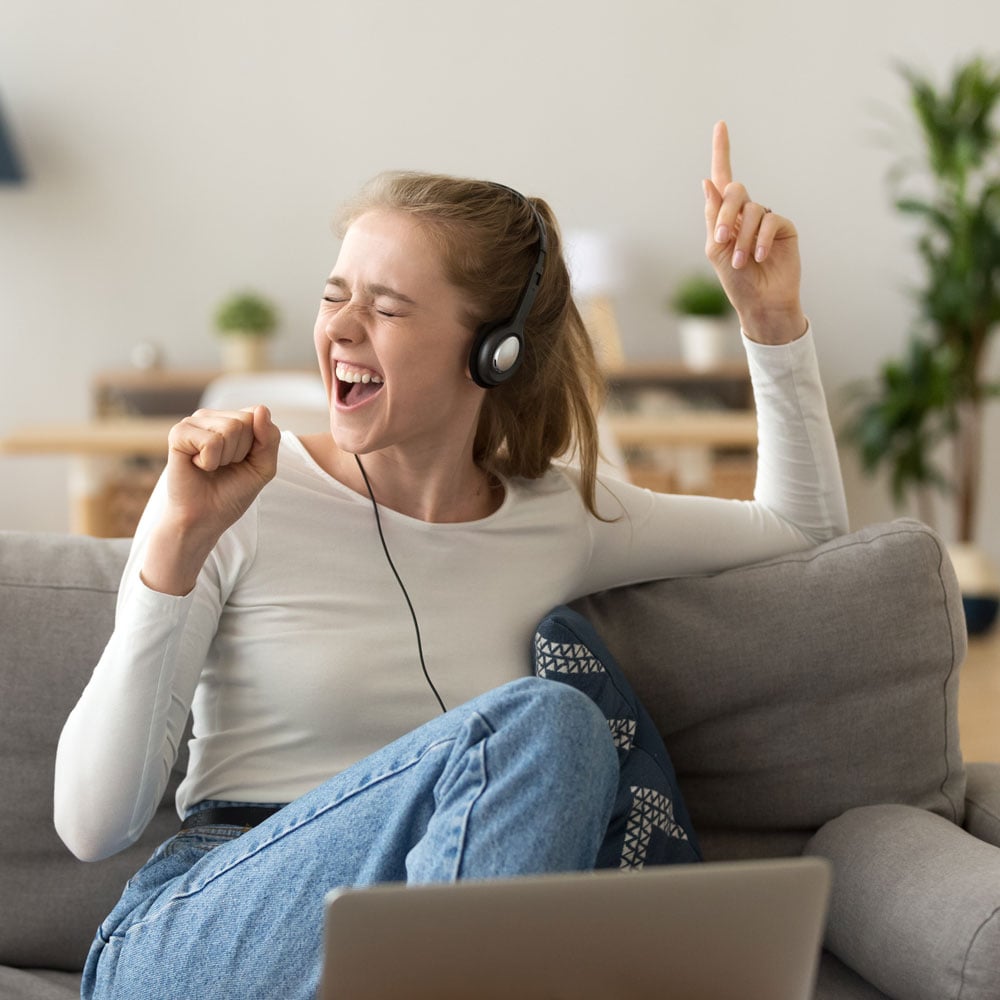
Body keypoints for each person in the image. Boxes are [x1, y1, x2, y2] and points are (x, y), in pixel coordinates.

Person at [55, 122, 848, 1000]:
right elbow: (93, 826)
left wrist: (771, 322)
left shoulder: (561, 516)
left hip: (415, 945)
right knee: (546, 726)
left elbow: (799, 529)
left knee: (546, 751)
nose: (342, 330)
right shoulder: (238, 495)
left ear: (493, 352)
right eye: (333, 297)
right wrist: (173, 547)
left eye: (388, 308)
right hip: (197, 928)